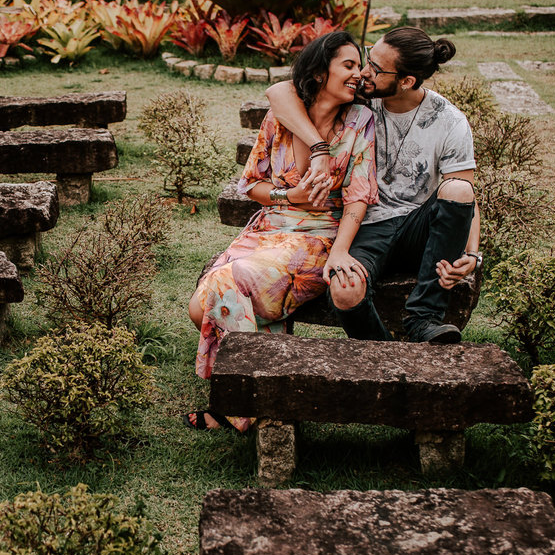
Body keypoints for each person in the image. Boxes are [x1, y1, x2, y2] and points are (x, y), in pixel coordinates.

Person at [186, 31, 377, 431]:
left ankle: (242, 404)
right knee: (198, 308)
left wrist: (341, 251)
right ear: (320, 71)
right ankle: (273, 384)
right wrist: (290, 196)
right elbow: (252, 186)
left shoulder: (360, 121)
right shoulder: (282, 118)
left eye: (359, 66)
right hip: (268, 229)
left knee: (224, 282)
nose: (358, 74)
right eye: (349, 65)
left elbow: (359, 196)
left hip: (316, 238)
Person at [265, 26, 481, 344]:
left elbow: (465, 195)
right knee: (343, 290)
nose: (364, 72)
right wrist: (319, 148)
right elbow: (278, 93)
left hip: (420, 230)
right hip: (364, 226)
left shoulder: (449, 121)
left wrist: (473, 255)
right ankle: (384, 354)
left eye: (376, 69)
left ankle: (423, 318)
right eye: (369, 57)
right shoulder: (357, 98)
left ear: (406, 81)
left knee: (458, 188)